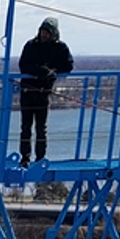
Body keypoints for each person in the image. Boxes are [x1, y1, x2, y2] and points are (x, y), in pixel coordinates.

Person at [18, 17, 74, 166]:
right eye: (43, 31)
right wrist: (39, 71)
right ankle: (25, 158)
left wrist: (53, 71)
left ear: (54, 33)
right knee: (25, 127)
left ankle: (40, 159)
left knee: (41, 128)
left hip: (43, 92)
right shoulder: (31, 45)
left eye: (48, 32)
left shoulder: (60, 48)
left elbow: (68, 65)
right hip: (28, 91)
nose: (44, 35)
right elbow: (23, 65)